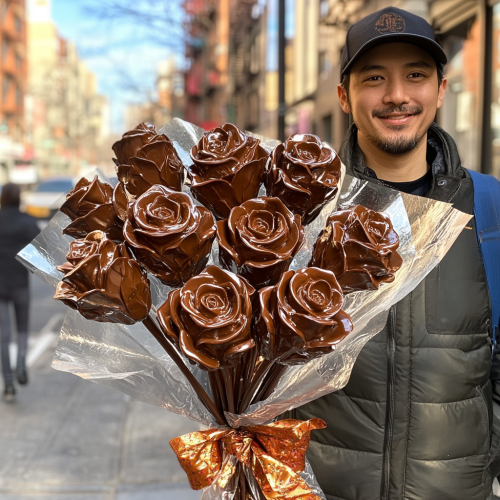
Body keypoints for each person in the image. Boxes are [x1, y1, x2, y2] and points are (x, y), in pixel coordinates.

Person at [292, 7, 500, 500]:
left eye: (416, 75)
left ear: (441, 90)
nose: (397, 95)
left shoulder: (489, 210)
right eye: (374, 78)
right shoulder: (301, 215)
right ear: (344, 96)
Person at [0, 183, 39, 402]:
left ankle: (8, 385)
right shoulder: (27, 222)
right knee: (22, 329)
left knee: (3, 336)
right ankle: (21, 362)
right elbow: (38, 250)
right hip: (20, 284)